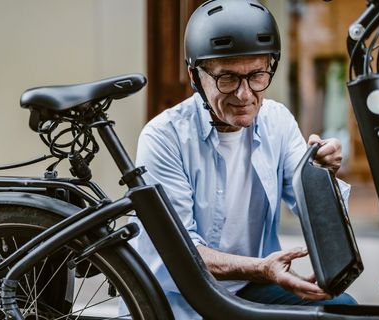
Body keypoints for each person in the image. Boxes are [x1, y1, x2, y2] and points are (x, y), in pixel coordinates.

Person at [128, 0, 357, 318]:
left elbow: (313, 212)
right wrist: (263, 269)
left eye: (256, 75)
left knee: (343, 311)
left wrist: (322, 174)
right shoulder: (164, 137)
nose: (245, 94)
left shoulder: (277, 120)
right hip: (178, 296)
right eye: (228, 78)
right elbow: (181, 253)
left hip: (248, 287)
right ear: (196, 74)